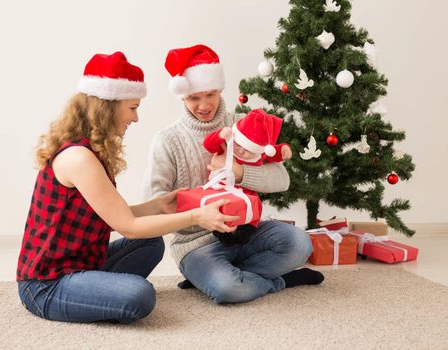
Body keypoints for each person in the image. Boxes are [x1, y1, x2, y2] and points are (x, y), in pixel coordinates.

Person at [16, 51, 239, 324]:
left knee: (150, 244)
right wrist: (196, 216)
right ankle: (94, 294)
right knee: (140, 296)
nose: (135, 118)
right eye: (132, 107)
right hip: (46, 283)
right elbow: (128, 226)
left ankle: (95, 291)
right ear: (108, 107)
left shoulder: (87, 150)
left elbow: (113, 215)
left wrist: (159, 205)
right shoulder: (79, 158)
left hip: (83, 262)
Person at [143, 44, 324, 303]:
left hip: (247, 232)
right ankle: (278, 281)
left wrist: (238, 172)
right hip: (196, 245)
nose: (204, 105)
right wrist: (196, 214)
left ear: (221, 90)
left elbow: (282, 180)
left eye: (211, 94)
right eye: (194, 97)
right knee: (229, 289)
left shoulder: (242, 123)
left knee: (300, 243)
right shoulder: (167, 140)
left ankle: (220, 278)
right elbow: (154, 205)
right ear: (182, 96)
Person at [203, 108, 292, 246]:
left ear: (257, 150)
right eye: (239, 145)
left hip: (246, 195)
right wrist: (219, 135)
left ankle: (245, 233)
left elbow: (274, 151)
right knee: (223, 212)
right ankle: (225, 236)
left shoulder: (260, 154)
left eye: (247, 150)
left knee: (252, 211)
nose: (240, 151)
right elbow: (208, 144)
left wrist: (284, 150)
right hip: (223, 191)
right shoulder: (228, 147)